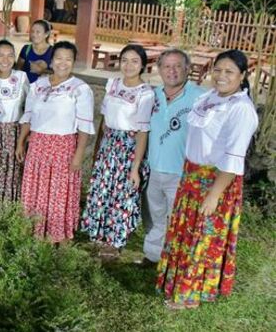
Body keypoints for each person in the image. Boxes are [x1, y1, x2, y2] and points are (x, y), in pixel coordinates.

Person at [157, 50, 258, 310]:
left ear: (243, 76)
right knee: (185, 232)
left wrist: (214, 194)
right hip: (191, 175)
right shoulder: (209, 97)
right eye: (219, 70)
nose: (222, 76)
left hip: (216, 181)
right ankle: (176, 281)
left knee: (203, 236)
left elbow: (233, 159)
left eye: (230, 72)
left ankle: (191, 294)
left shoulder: (241, 109)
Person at [16, 41, 95, 243]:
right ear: (51, 60)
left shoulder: (80, 89)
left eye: (68, 59)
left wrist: (78, 156)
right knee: (36, 189)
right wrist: (21, 142)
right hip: (37, 146)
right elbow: (28, 116)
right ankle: (34, 231)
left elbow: (84, 127)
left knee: (58, 192)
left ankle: (55, 235)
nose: (63, 63)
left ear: (74, 62)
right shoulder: (38, 85)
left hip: (63, 147)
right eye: (59, 58)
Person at [81, 44, 155, 258]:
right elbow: (104, 118)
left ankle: (114, 242)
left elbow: (142, 132)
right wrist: (98, 149)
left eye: (134, 61)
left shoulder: (145, 93)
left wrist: (135, 167)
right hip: (108, 144)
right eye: (124, 60)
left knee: (121, 194)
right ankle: (97, 235)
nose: (128, 65)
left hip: (128, 149)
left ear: (142, 65)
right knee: (102, 190)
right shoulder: (112, 84)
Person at [140, 49, 204, 266]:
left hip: (181, 172)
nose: (172, 71)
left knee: (176, 218)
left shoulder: (199, 97)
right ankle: (153, 256)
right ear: (159, 70)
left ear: (187, 68)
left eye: (177, 66)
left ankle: (174, 261)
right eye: (166, 66)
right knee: (156, 215)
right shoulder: (153, 95)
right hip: (154, 168)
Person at [0, 40, 29, 202]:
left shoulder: (21, 77)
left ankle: (7, 209)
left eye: (10, 55)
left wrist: (23, 139)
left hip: (14, 135)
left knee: (11, 172)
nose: (5, 59)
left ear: (15, 58)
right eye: (0, 55)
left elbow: (29, 109)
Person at [16, 19, 53, 84]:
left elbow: (59, 74)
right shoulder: (26, 49)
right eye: (32, 31)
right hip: (26, 88)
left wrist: (43, 71)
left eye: (38, 32)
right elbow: (18, 69)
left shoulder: (53, 52)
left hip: (44, 90)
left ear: (46, 34)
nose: (34, 34)